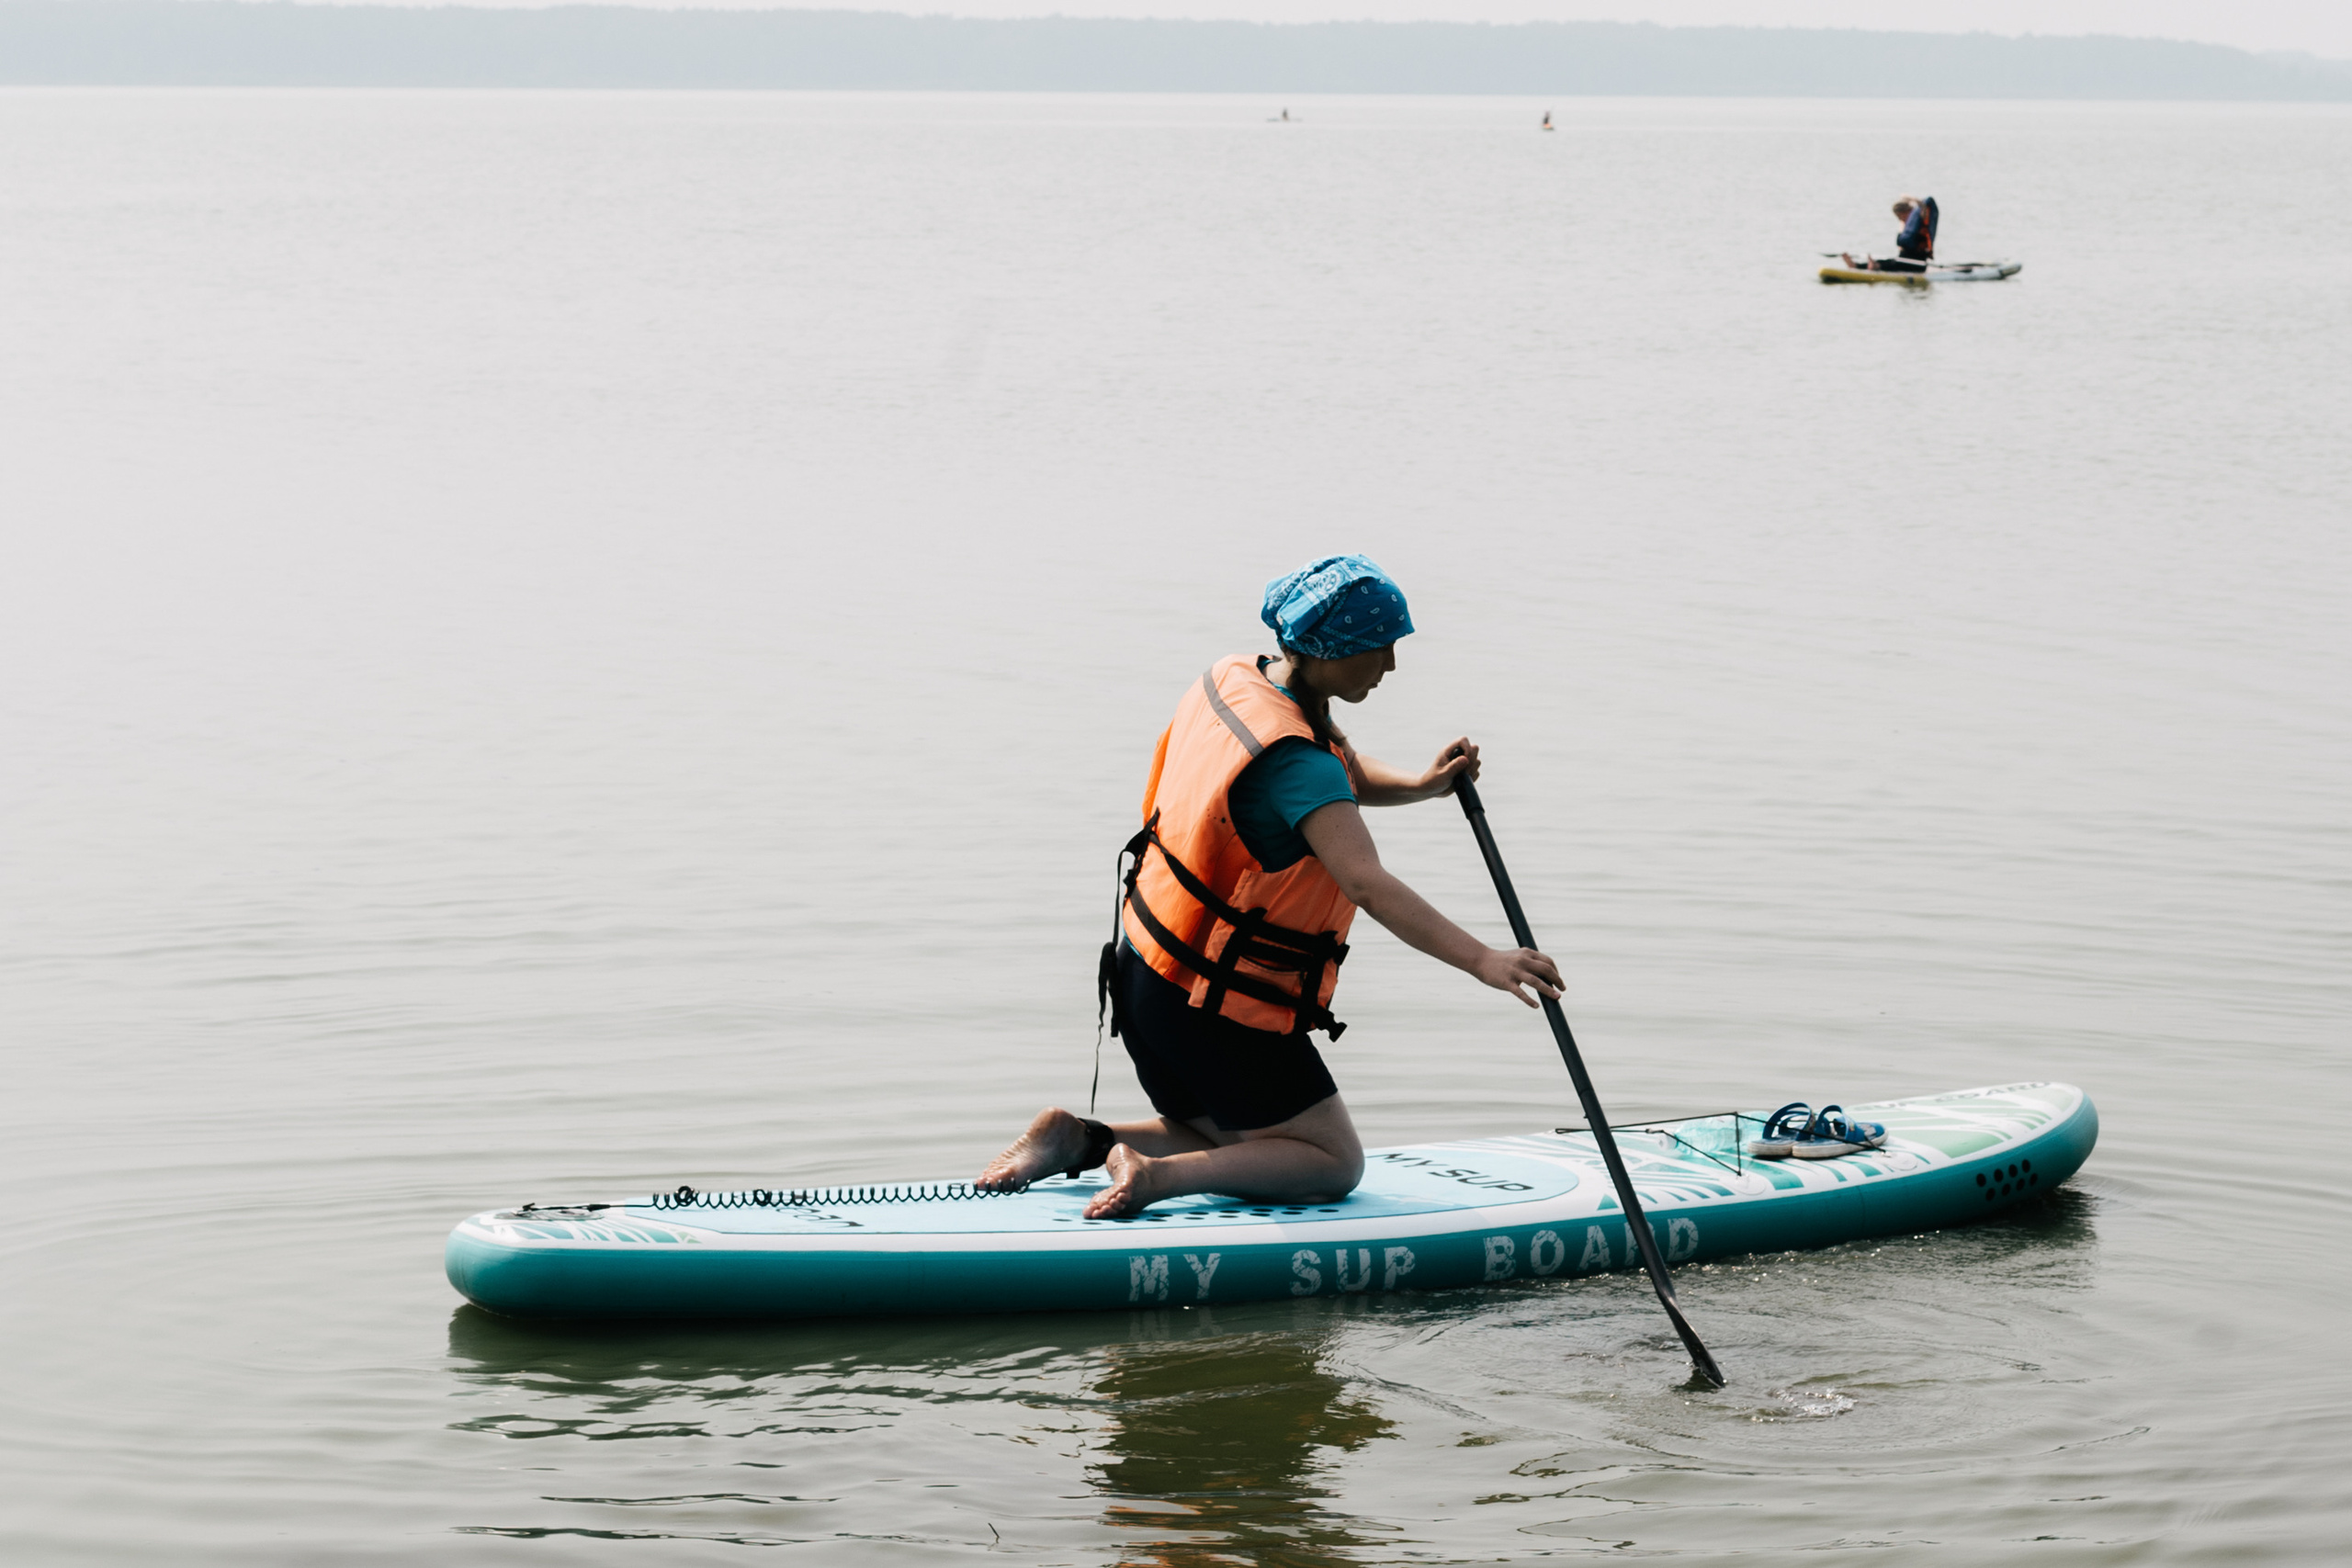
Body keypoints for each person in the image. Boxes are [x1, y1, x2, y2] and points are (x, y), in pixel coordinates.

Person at [976, 556, 1565, 1219]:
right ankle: (1152, 1175)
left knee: (1229, 1136)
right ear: (1326, 650)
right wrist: (1485, 959)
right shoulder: (1295, 760)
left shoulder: (1246, 680)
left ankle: (1080, 1140)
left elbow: (1338, 774)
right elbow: (1366, 884)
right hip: (1213, 1008)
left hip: (1147, 979)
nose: (1391, 666)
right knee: (1330, 1162)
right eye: (1379, 648)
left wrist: (1422, 785)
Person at [1842, 195, 1939, 274]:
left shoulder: (1917, 221)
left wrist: (1902, 226)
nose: (1900, 220)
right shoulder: (1912, 224)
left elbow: (1902, 243)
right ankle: (1857, 265)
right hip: (1906, 259)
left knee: (1893, 264)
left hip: (1916, 265)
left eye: (1899, 217)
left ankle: (1872, 266)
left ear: (1906, 212)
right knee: (1890, 261)